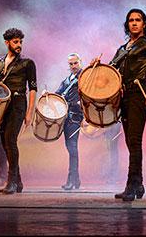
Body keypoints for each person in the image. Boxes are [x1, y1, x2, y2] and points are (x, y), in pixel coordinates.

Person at [94, 8, 146, 201]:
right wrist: (96, 65)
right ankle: (138, 183)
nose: (134, 23)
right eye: (131, 20)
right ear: (127, 24)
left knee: (134, 141)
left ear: (144, 24)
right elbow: (110, 72)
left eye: (138, 20)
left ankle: (131, 186)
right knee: (129, 142)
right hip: (123, 97)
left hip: (138, 94)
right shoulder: (122, 48)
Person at [0, 28, 37, 194]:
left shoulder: (27, 63)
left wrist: (29, 112)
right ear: (7, 42)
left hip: (18, 104)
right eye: (16, 42)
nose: (19, 45)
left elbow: (33, 88)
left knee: (10, 140)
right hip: (2, 105)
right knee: (3, 141)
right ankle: (18, 181)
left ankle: (11, 182)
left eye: (20, 42)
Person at [56, 53, 84, 190]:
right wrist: (46, 95)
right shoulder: (67, 80)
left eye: (75, 63)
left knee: (72, 148)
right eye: (71, 64)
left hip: (75, 117)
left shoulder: (85, 77)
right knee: (70, 147)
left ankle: (72, 180)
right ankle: (76, 180)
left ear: (80, 62)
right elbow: (57, 94)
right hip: (66, 118)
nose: (73, 66)